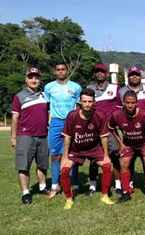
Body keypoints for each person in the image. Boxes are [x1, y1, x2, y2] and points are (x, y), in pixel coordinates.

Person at [59, 88, 114, 209]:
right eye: (85, 101)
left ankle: (105, 195)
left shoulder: (100, 115)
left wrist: (106, 155)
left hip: (94, 149)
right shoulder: (72, 116)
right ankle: (69, 199)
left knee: (106, 166)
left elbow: (104, 137)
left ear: (94, 102)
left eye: (90, 101)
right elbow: (67, 137)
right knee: (64, 170)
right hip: (76, 150)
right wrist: (64, 157)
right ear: (80, 102)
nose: (87, 104)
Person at [109, 90, 145, 203]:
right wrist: (121, 144)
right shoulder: (116, 115)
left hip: (144, 143)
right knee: (123, 163)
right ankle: (125, 193)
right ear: (123, 102)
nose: (130, 105)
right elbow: (111, 128)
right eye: (127, 102)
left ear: (137, 102)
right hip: (128, 144)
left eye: (132, 102)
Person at [11, 67, 50, 204]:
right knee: (24, 165)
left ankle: (42, 187)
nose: (34, 80)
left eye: (36, 77)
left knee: (43, 164)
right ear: (26, 79)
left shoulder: (44, 96)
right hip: (25, 136)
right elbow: (15, 118)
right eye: (31, 77)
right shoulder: (19, 96)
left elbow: (48, 114)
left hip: (43, 135)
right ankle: (26, 192)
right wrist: (13, 137)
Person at [44, 62, 82, 198]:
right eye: (58, 70)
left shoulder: (76, 87)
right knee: (55, 156)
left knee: (73, 155)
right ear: (55, 72)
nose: (60, 72)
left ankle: (75, 184)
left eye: (63, 69)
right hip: (55, 123)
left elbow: (79, 107)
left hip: (71, 123)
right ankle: (55, 186)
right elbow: (47, 107)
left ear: (67, 71)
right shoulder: (49, 87)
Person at [85, 63, 121, 196]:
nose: (99, 73)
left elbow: (119, 108)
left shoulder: (115, 88)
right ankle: (93, 186)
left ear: (107, 74)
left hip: (110, 130)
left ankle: (118, 185)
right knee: (94, 159)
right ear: (95, 74)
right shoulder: (89, 88)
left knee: (115, 157)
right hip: (93, 130)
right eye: (97, 71)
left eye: (102, 71)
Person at [118, 66, 145, 192]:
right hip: (129, 133)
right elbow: (118, 112)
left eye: (137, 74)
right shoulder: (121, 91)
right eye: (132, 75)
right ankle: (130, 183)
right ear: (128, 77)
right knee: (129, 160)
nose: (134, 77)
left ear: (140, 76)